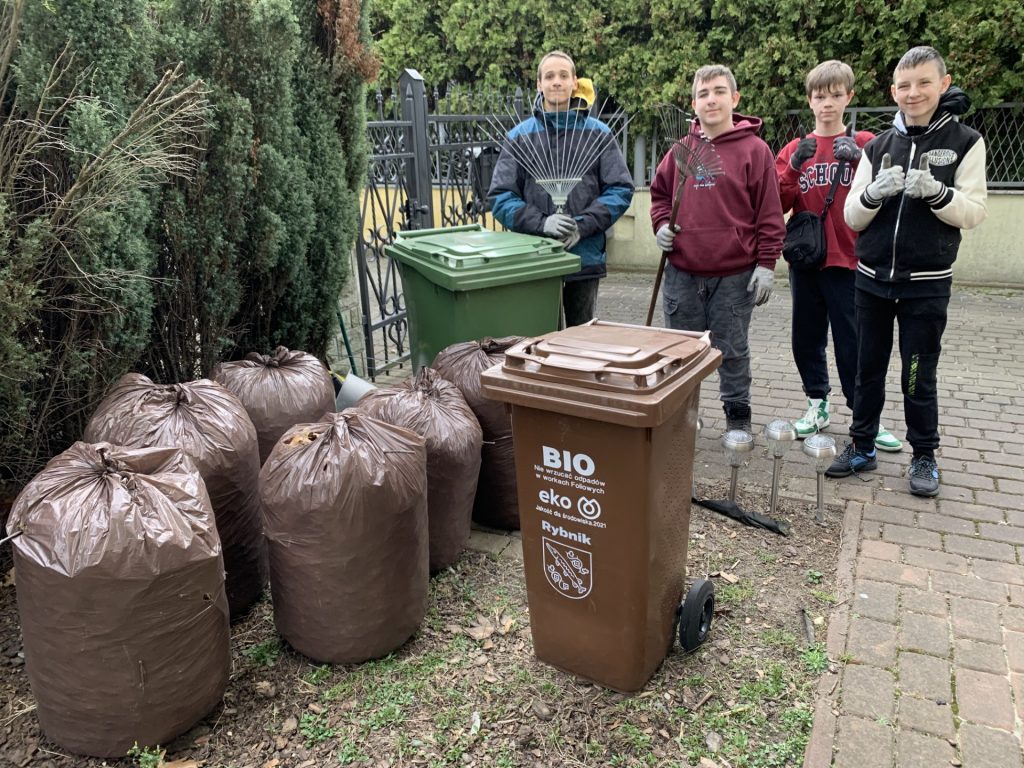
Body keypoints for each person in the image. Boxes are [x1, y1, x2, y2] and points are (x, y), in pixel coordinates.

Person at [827, 46, 987, 497]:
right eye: (904, 85)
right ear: (893, 90)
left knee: (918, 373)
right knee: (867, 369)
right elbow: (853, 217)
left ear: (943, 83)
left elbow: (974, 211)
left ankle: (923, 455)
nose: (912, 93)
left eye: (923, 83)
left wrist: (937, 193)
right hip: (871, 278)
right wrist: (874, 193)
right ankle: (862, 445)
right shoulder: (877, 146)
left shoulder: (965, 142)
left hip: (926, 285)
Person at [775, 61, 903, 452]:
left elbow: (888, 194)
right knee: (806, 338)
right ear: (809, 100)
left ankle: (866, 418)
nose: (826, 103)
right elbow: (777, 203)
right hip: (808, 261)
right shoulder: (796, 149)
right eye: (819, 96)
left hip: (851, 261)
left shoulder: (865, 142)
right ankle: (817, 405)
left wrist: (860, 159)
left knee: (855, 343)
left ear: (849, 97)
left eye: (834, 95)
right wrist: (794, 168)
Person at [650, 65, 785, 433]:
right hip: (682, 272)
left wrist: (767, 264)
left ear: (735, 99)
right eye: (704, 93)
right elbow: (660, 195)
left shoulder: (754, 151)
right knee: (679, 352)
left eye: (719, 91)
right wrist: (661, 225)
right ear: (694, 103)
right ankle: (681, 418)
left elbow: (769, 212)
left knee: (732, 350)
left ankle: (737, 417)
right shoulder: (681, 150)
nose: (711, 99)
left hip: (734, 275)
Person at [488, 51, 634, 326]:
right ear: (539, 84)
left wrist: (582, 225)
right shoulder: (519, 137)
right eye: (550, 76)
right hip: (536, 256)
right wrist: (542, 223)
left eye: (563, 76)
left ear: (574, 82)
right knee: (542, 338)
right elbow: (500, 197)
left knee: (581, 340)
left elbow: (620, 189)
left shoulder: (598, 134)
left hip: (585, 256)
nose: (557, 82)